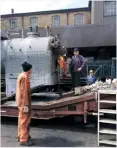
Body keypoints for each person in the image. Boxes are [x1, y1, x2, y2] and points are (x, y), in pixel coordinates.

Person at [16, 62, 33, 146]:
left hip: (21, 101)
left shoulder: (21, 75)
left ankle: (20, 135)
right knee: (25, 120)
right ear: (29, 69)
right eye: (31, 68)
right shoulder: (24, 77)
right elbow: (24, 92)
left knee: (21, 119)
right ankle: (23, 139)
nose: (32, 70)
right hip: (24, 102)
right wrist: (26, 105)